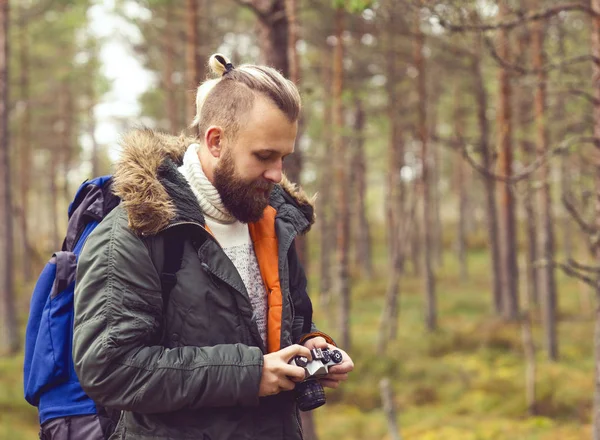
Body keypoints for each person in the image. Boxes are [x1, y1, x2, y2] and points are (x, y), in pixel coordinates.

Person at [72, 53, 354, 439]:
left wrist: (311, 344)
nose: (277, 174)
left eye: (283, 157)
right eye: (264, 156)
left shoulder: (272, 220)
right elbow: (108, 367)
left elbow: (286, 320)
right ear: (216, 140)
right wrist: (251, 374)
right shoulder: (136, 232)